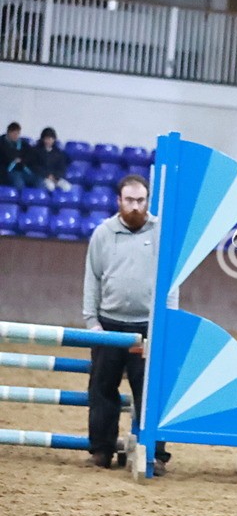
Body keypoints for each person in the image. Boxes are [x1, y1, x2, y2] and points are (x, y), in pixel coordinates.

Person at [82, 174, 172, 472]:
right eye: (130, 200)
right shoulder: (102, 233)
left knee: (150, 392)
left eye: (140, 200)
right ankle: (102, 450)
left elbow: (171, 281)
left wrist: (166, 324)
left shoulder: (162, 233)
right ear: (118, 201)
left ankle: (154, 454)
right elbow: (92, 279)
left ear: (148, 201)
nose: (135, 206)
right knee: (101, 389)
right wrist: (92, 322)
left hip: (147, 328)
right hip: (108, 327)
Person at [28, 126, 72, 191]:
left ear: (54, 139)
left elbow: (62, 168)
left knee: (67, 187)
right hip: (44, 177)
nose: (48, 141)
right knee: (50, 186)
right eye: (46, 139)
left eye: (50, 139)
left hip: (56, 177)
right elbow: (35, 166)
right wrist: (47, 175)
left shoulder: (58, 152)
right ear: (43, 139)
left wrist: (56, 176)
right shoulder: (36, 151)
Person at [1, 121, 35, 188]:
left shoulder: (23, 144)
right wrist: (13, 160)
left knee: (38, 180)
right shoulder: (1, 143)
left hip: (21, 169)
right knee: (19, 183)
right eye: (14, 134)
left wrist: (22, 160)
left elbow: (31, 154)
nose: (16, 136)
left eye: (18, 134)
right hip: (6, 171)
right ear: (9, 132)